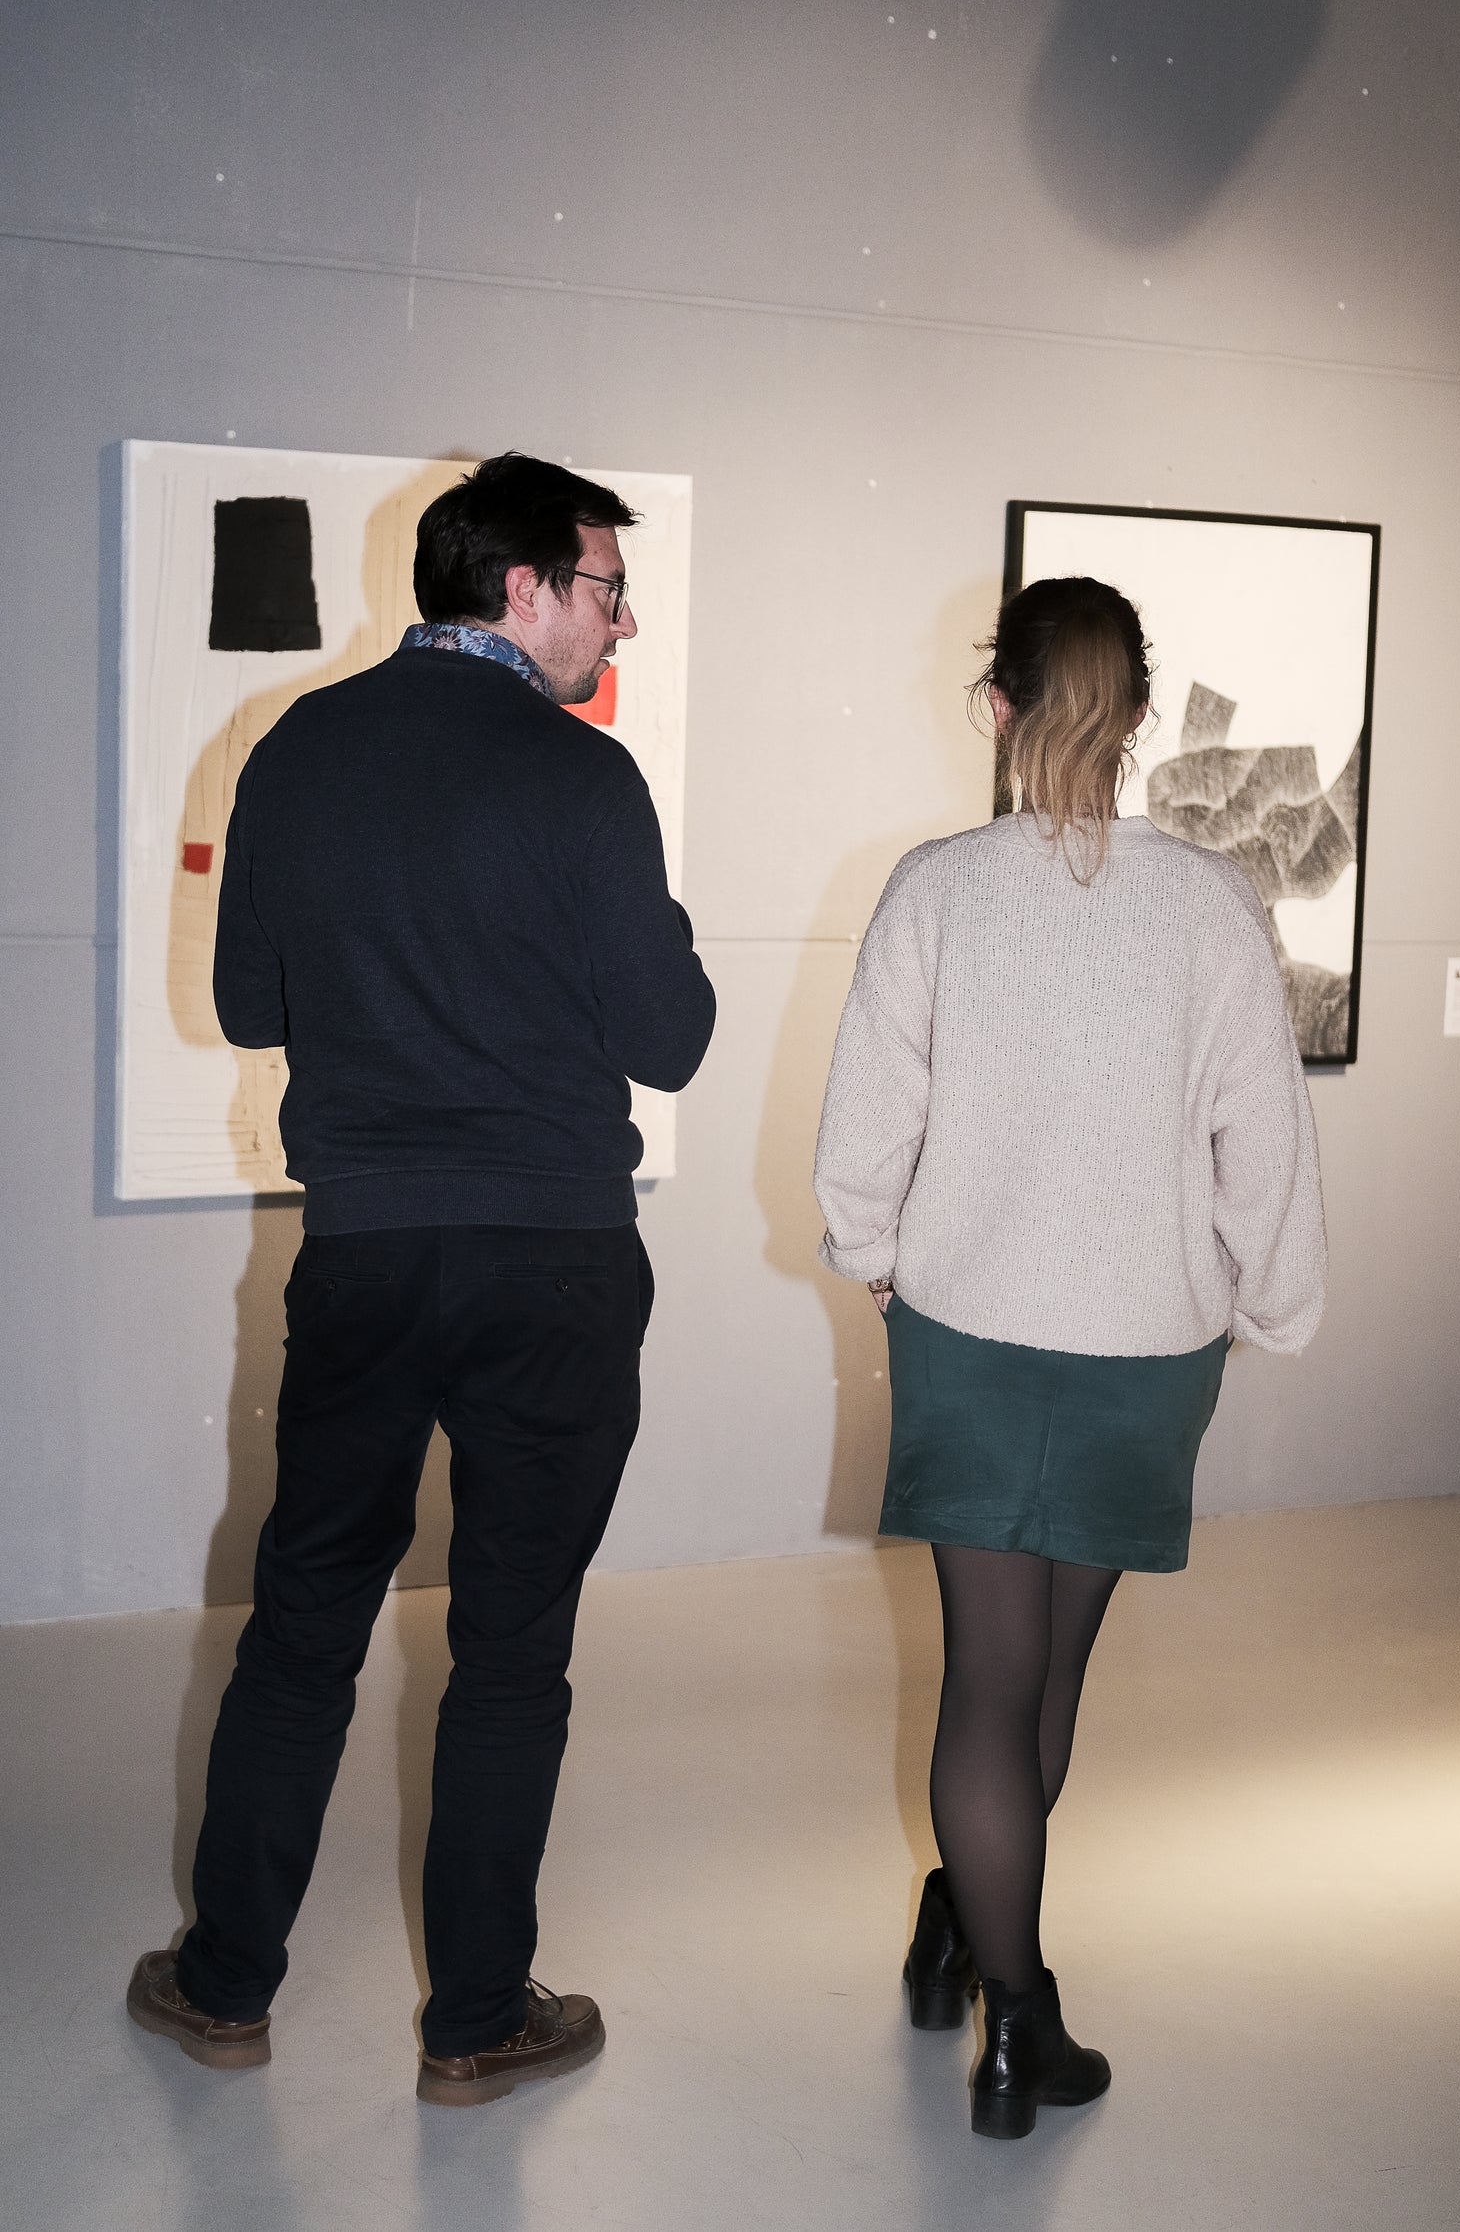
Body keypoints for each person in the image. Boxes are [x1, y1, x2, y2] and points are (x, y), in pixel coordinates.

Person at [128, 452, 716, 2107]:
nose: (622, 622)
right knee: (512, 1643)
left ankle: (224, 1984)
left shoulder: (299, 748)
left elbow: (247, 1007)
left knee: (305, 1614)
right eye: (607, 588)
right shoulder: (584, 778)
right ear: (521, 588)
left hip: (369, 1251)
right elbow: (670, 1034)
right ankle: (474, 2020)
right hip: (555, 1263)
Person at [813, 576, 1326, 2141]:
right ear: (1143, 716)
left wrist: (876, 1252)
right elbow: (1264, 1136)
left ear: (998, 706)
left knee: (989, 1672)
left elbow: (866, 1124)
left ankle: (980, 1948)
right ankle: (1013, 2002)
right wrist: (1274, 1301)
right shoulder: (1212, 903)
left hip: (967, 1331)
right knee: (1049, 1679)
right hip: (1143, 1353)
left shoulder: (938, 889)